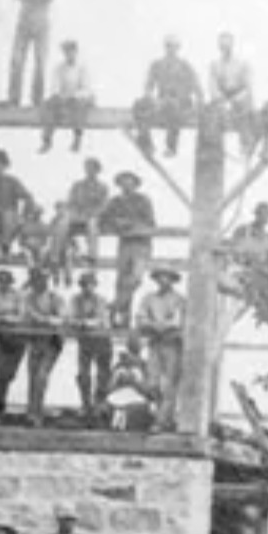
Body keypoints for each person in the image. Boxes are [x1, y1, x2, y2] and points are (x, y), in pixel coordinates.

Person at [102, 171, 157, 324]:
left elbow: (150, 222)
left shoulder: (143, 200)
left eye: (130, 182)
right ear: (119, 185)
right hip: (125, 244)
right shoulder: (115, 201)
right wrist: (116, 222)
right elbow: (104, 218)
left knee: (136, 277)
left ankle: (117, 304)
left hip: (142, 244)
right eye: (123, 182)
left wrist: (130, 222)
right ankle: (121, 320)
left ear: (135, 184)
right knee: (122, 280)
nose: (126, 185)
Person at [134, 36, 202, 159]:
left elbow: (196, 86)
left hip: (181, 102)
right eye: (168, 46)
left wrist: (198, 103)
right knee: (139, 104)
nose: (171, 49)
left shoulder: (185, 65)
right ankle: (146, 144)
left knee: (172, 106)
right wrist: (151, 98)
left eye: (174, 46)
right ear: (165, 47)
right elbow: (149, 85)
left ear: (178, 48)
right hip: (162, 101)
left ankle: (171, 146)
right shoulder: (157, 65)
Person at [136, 266, 186, 430]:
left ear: (172, 280)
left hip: (173, 345)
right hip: (155, 344)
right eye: (160, 277)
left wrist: (160, 325)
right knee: (152, 384)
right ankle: (163, 417)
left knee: (170, 384)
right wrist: (155, 325)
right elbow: (141, 319)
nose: (163, 280)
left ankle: (161, 421)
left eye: (167, 277)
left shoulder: (180, 300)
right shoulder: (149, 299)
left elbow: (178, 322)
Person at [8, 0, 57, 107]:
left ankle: (37, 100)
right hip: (24, 21)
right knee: (17, 60)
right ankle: (14, 98)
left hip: (41, 23)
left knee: (40, 62)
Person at [23, 265, 67, 423]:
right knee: (32, 377)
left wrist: (44, 319)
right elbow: (26, 316)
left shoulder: (55, 298)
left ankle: (37, 413)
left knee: (41, 377)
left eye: (40, 279)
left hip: (51, 343)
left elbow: (62, 318)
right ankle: (31, 412)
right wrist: (41, 319)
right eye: (35, 280)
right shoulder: (29, 298)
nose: (38, 283)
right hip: (35, 342)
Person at [0, 266, 28, 421]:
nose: (2, 284)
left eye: (5, 281)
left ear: (10, 282)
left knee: (8, 374)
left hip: (18, 338)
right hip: (2, 338)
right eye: (0, 281)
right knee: (0, 374)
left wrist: (3, 318)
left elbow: (21, 316)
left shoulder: (18, 295)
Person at [68, 271, 113, 422]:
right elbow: (70, 318)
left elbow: (102, 320)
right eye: (84, 285)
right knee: (83, 375)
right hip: (85, 342)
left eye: (90, 284)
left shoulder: (101, 300)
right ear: (81, 286)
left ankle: (99, 405)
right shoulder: (76, 300)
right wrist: (81, 323)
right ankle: (86, 405)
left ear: (95, 286)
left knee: (103, 376)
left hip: (102, 342)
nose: (87, 287)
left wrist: (86, 323)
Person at [205, 31, 258, 154]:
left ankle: (245, 144)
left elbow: (248, 87)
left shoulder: (243, 63)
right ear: (219, 47)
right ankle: (212, 148)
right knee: (209, 114)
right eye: (222, 47)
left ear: (232, 46)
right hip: (223, 97)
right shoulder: (215, 64)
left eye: (227, 46)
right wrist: (219, 98)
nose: (225, 49)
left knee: (244, 113)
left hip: (240, 96)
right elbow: (212, 85)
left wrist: (236, 99)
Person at [40, 39, 95, 154]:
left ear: (75, 52)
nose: (69, 54)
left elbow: (86, 89)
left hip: (80, 98)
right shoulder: (59, 68)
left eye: (71, 51)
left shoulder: (82, 67)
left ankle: (77, 138)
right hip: (64, 98)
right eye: (66, 52)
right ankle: (47, 140)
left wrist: (74, 95)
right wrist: (60, 96)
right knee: (48, 104)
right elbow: (55, 87)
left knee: (79, 105)